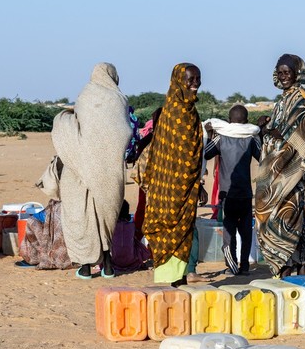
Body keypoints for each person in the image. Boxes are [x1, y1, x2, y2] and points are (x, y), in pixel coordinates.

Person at [50, 63, 132, 279]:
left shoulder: (85, 96)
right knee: (105, 217)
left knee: (82, 214)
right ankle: (108, 265)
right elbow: (122, 133)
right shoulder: (120, 100)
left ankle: (86, 267)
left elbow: (75, 127)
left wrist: (62, 117)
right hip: (109, 172)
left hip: (79, 167)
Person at [254, 54, 305, 278]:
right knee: (284, 212)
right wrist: (267, 125)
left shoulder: (302, 98)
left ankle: (289, 266)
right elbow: (280, 128)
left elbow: (300, 135)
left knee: (288, 213)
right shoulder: (285, 98)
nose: (283, 77)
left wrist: (269, 131)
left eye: (287, 72)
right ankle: (291, 265)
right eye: (280, 73)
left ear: (297, 73)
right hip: (279, 166)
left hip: (293, 167)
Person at [143, 63, 205, 286]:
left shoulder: (188, 111)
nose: (195, 83)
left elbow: (192, 153)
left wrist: (197, 183)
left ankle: (180, 277)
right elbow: (176, 152)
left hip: (187, 184)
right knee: (172, 226)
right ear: (179, 81)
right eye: (190, 79)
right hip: (173, 185)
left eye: (198, 79)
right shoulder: (176, 112)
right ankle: (175, 278)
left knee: (184, 230)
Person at [204, 104, 261, 275]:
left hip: (227, 193)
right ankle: (244, 267)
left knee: (229, 231)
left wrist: (210, 134)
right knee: (245, 230)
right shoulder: (251, 138)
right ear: (247, 121)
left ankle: (232, 266)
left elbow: (205, 153)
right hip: (245, 192)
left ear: (229, 121)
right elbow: (262, 156)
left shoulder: (221, 138)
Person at [129, 107, 162, 241]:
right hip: (157, 182)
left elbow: (138, 157)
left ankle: (139, 237)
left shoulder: (148, 138)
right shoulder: (169, 139)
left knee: (143, 207)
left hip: (146, 181)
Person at [17, 199, 72, 270]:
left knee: (33, 223)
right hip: (60, 208)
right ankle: (43, 255)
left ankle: (44, 257)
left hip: (61, 209)